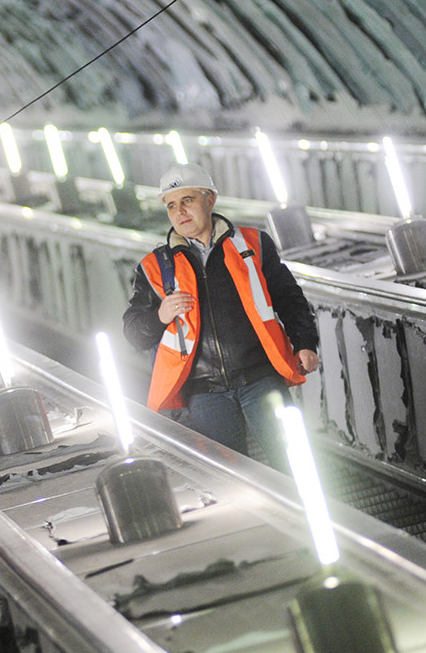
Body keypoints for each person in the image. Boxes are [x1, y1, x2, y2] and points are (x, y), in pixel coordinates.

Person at [123, 164, 319, 468]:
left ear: (209, 200)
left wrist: (305, 341)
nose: (180, 211)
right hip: (204, 391)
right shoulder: (154, 267)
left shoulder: (253, 244)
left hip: (260, 377)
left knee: (293, 463)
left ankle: (306, 514)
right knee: (228, 475)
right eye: (171, 205)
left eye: (187, 200)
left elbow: (288, 297)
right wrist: (160, 315)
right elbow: (134, 333)